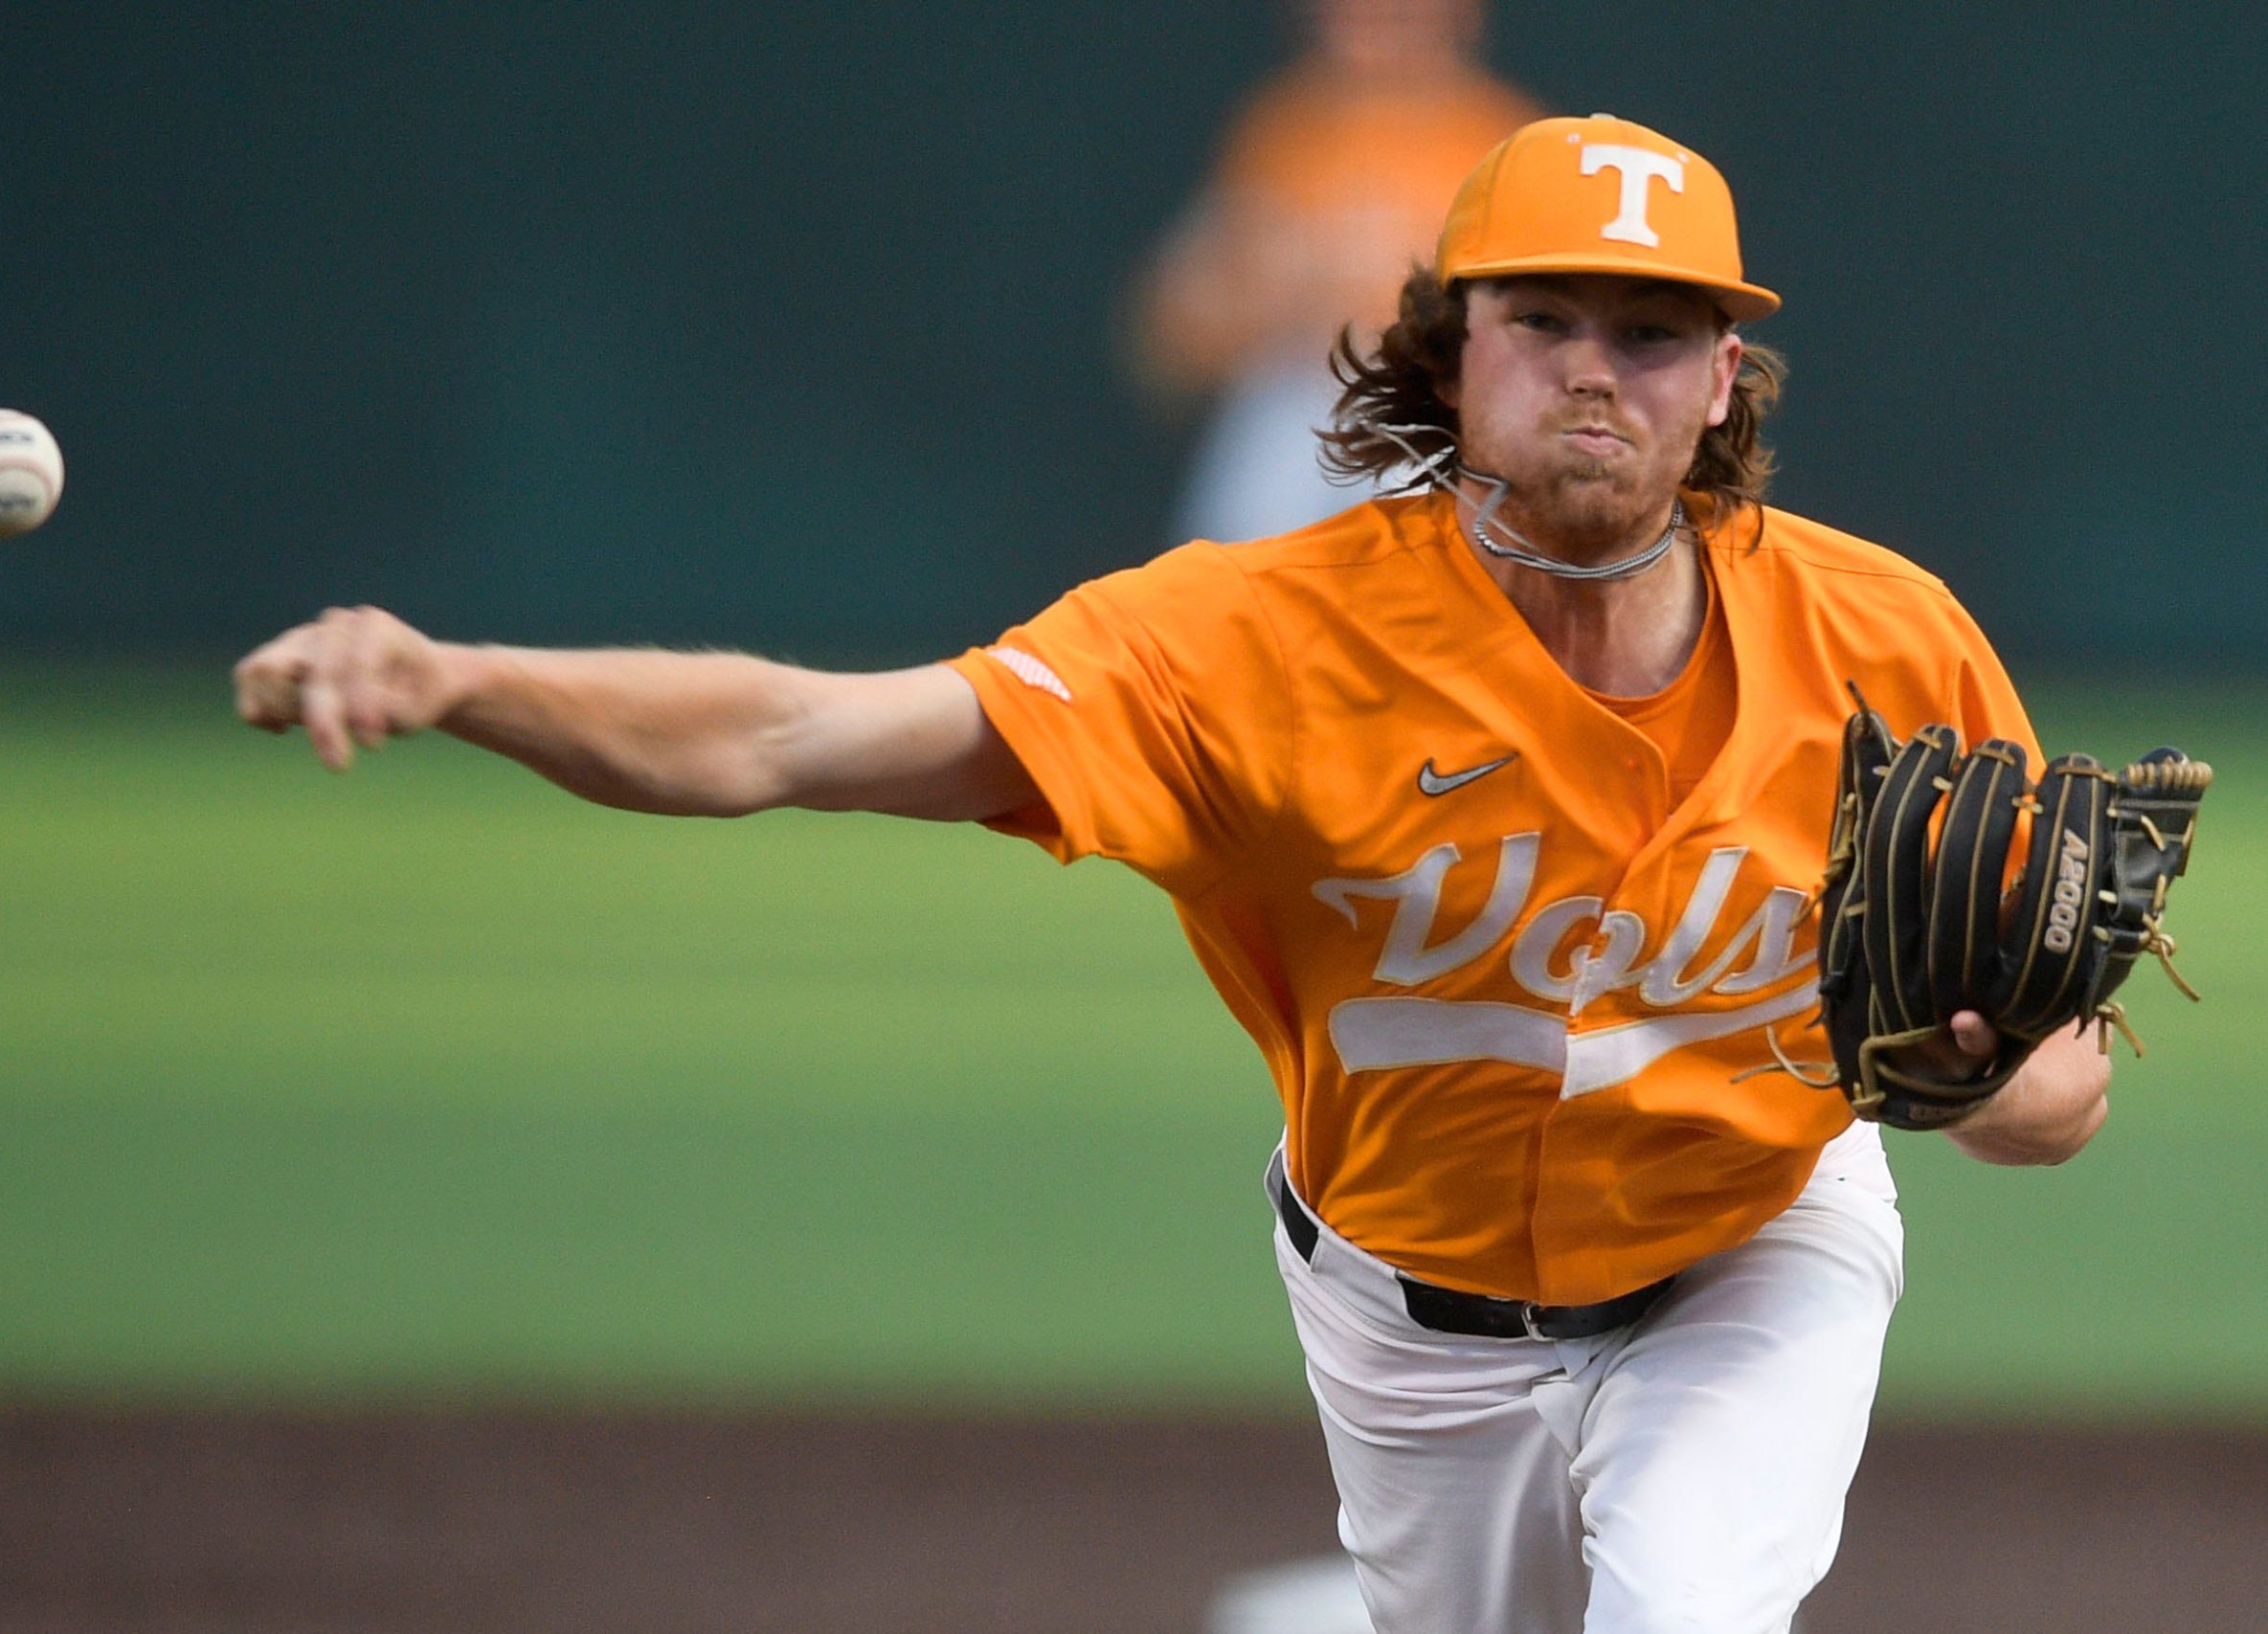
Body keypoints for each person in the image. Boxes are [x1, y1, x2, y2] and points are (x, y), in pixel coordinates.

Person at [234, 114, 2111, 1634]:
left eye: (1649, 333)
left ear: (1721, 379)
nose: (1595, 374)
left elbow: (2050, 1087)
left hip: (1751, 1252)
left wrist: (1982, 1078)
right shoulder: (1250, 640)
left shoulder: (1881, 637)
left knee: (1685, 1606)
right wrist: (464, 676)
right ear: (1451, 351)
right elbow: (788, 735)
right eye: (1545, 320)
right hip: (1405, 1310)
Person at [1135, 0, 1537, 543]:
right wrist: (1273, 292)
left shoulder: (1504, 146)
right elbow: (1171, 343)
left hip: (1432, 411)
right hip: (1295, 401)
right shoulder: (1283, 136)